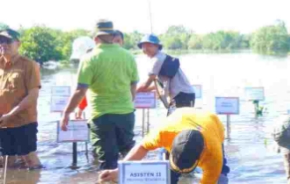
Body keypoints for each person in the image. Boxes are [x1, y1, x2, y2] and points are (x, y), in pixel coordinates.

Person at [99, 108, 230, 184]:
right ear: (170, 149)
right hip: (179, 118)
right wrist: (118, 171)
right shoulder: (163, 133)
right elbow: (142, 148)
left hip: (211, 123)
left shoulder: (213, 154)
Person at [60, 20, 139, 170]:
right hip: (126, 114)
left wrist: (66, 113)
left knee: (107, 161)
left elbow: (80, 90)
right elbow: (134, 85)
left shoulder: (89, 58)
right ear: (113, 35)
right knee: (129, 154)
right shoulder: (128, 56)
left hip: (101, 115)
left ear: (95, 38)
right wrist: (128, 101)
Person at [0, 28, 42, 169]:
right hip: (3, 123)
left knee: (29, 159)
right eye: (1, 41)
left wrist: (11, 114)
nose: (3, 44)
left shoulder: (29, 65)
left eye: (8, 41)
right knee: (6, 161)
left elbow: (33, 95)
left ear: (18, 43)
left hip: (24, 121)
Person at [135, 34, 196, 109]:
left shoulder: (157, 59)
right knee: (177, 119)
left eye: (149, 45)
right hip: (187, 94)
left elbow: (146, 84)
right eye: (143, 46)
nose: (145, 49)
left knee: (176, 120)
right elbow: (159, 84)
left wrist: (131, 92)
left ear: (157, 47)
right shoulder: (162, 57)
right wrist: (143, 90)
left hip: (181, 96)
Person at [76, 30, 124, 120]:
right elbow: (89, 87)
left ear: (123, 42)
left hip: (123, 111)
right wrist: (80, 107)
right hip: (102, 112)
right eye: (114, 41)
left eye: (118, 41)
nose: (116, 44)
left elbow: (132, 87)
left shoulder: (127, 59)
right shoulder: (98, 59)